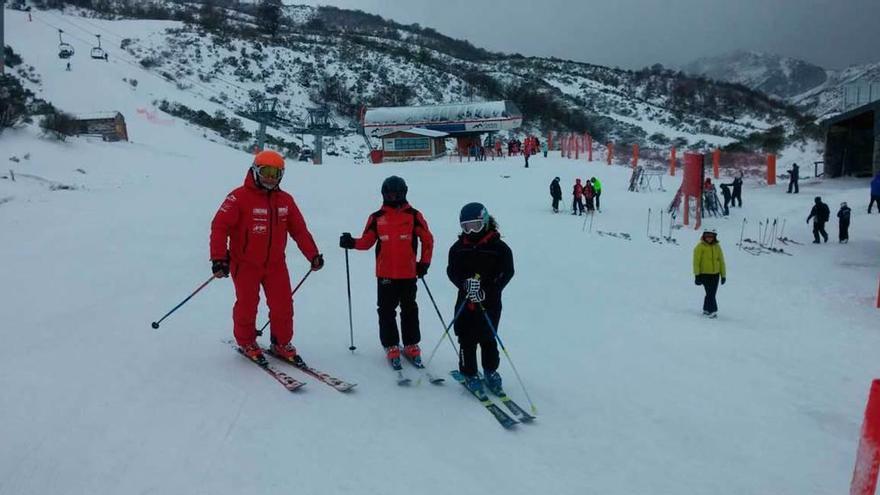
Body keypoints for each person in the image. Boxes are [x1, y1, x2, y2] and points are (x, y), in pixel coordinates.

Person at [210, 150, 324, 364]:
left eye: (275, 173)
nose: (270, 178)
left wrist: (313, 254)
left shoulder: (285, 200)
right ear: (255, 171)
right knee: (247, 303)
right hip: (245, 264)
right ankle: (246, 341)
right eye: (265, 172)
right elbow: (219, 226)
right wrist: (218, 258)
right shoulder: (238, 197)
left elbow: (299, 230)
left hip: (275, 265)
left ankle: (281, 342)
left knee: (283, 305)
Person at [339, 176, 434, 366]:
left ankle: (411, 343)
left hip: (408, 273)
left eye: (397, 194)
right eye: (390, 194)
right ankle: (391, 344)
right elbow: (367, 242)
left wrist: (424, 263)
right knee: (386, 311)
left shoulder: (414, 215)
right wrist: (351, 243)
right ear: (384, 195)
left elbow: (428, 239)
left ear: (404, 193)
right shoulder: (377, 217)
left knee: (409, 309)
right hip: (385, 275)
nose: (394, 197)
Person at [446, 202, 514, 394]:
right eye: (466, 227)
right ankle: (469, 372)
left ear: (484, 222)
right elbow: (452, 271)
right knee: (466, 338)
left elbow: (507, 272)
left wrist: (489, 290)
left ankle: (490, 371)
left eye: (475, 225)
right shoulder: (458, 248)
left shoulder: (499, 248)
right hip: (465, 301)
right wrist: (464, 284)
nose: (471, 231)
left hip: (490, 302)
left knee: (488, 337)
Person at [693, 228, 726, 318]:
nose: (709, 238)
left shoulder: (717, 247)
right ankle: (713, 310)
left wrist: (723, 275)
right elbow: (696, 262)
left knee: (711, 293)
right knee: (710, 293)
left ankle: (706, 309)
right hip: (704, 274)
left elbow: (721, 261)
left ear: (714, 237)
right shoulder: (700, 247)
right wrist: (697, 275)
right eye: (707, 236)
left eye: (711, 236)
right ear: (704, 236)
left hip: (715, 275)